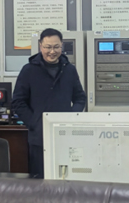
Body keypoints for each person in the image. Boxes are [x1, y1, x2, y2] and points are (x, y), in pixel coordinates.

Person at [12, 28, 86, 178]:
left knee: (66, 178)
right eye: (48, 47)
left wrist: (71, 118)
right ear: (40, 46)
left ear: (62, 46)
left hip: (65, 135)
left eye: (56, 47)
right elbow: (18, 102)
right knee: (40, 180)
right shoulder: (28, 70)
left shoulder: (69, 70)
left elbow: (80, 98)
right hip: (39, 138)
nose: (52, 51)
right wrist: (35, 122)